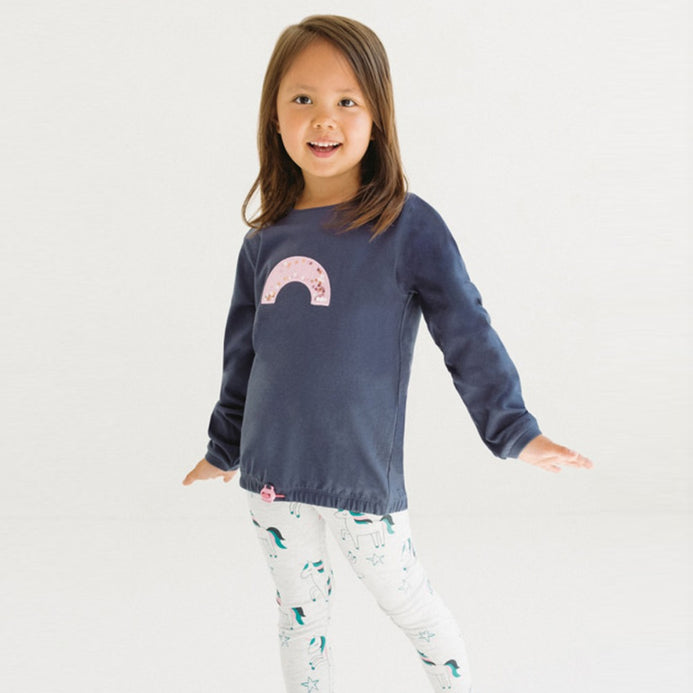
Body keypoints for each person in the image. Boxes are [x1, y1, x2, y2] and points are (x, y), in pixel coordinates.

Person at [183, 14, 592, 693]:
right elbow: (243, 359)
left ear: (377, 119)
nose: (324, 117)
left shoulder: (406, 226)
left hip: (360, 483)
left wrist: (515, 430)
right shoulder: (262, 243)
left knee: (410, 606)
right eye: (303, 98)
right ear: (274, 117)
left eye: (347, 100)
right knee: (299, 618)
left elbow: (466, 332)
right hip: (270, 479)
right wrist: (224, 448)